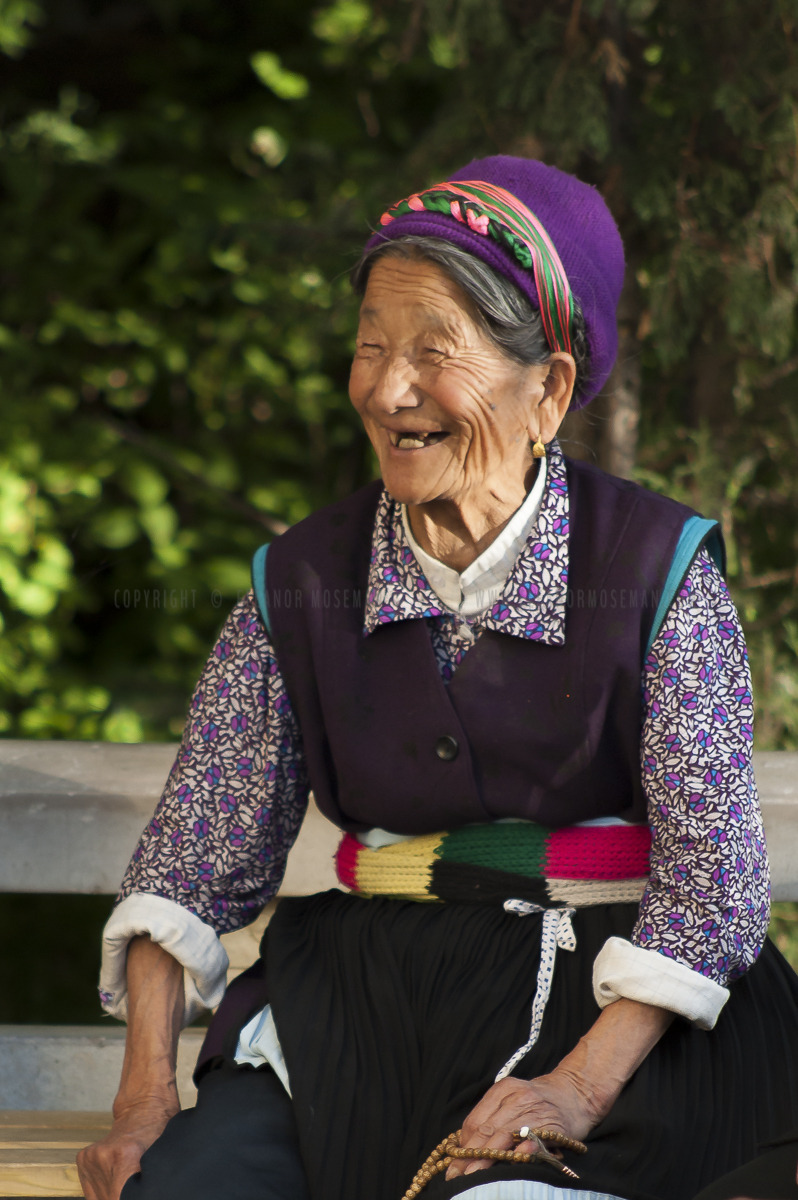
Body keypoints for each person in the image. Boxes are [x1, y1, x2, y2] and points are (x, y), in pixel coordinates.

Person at [77, 156, 798, 1200]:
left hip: (621, 1024)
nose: (385, 387)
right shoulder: (301, 583)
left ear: (547, 389)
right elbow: (194, 859)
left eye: (432, 351)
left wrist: (577, 1092)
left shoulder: (656, 572)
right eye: (371, 344)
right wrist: (145, 1093)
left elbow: (715, 884)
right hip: (363, 1014)